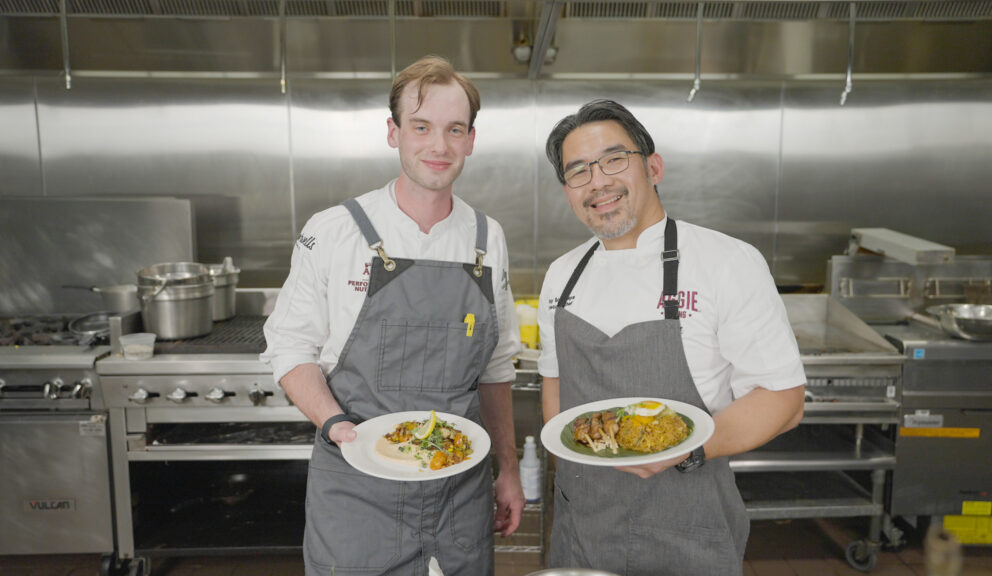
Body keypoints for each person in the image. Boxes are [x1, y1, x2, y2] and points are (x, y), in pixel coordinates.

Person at [261, 55, 525, 576]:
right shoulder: (335, 230)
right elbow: (290, 347)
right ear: (393, 132)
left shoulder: (486, 238)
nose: (438, 146)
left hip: (459, 492)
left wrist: (509, 470)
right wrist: (334, 423)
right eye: (421, 127)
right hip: (357, 493)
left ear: (471, 140)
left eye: (455, 130)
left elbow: (496, 368)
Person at [537, 99, 806, 575]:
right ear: (567, 190)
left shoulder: (727, 262)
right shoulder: (562, 276)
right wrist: (572, 456)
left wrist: (687, 449)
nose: (597, 181)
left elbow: (784, 400)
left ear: (653, 166)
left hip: (687, 525)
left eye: (613, 160)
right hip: (585, 526)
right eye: (577, 171)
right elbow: (555, 382)